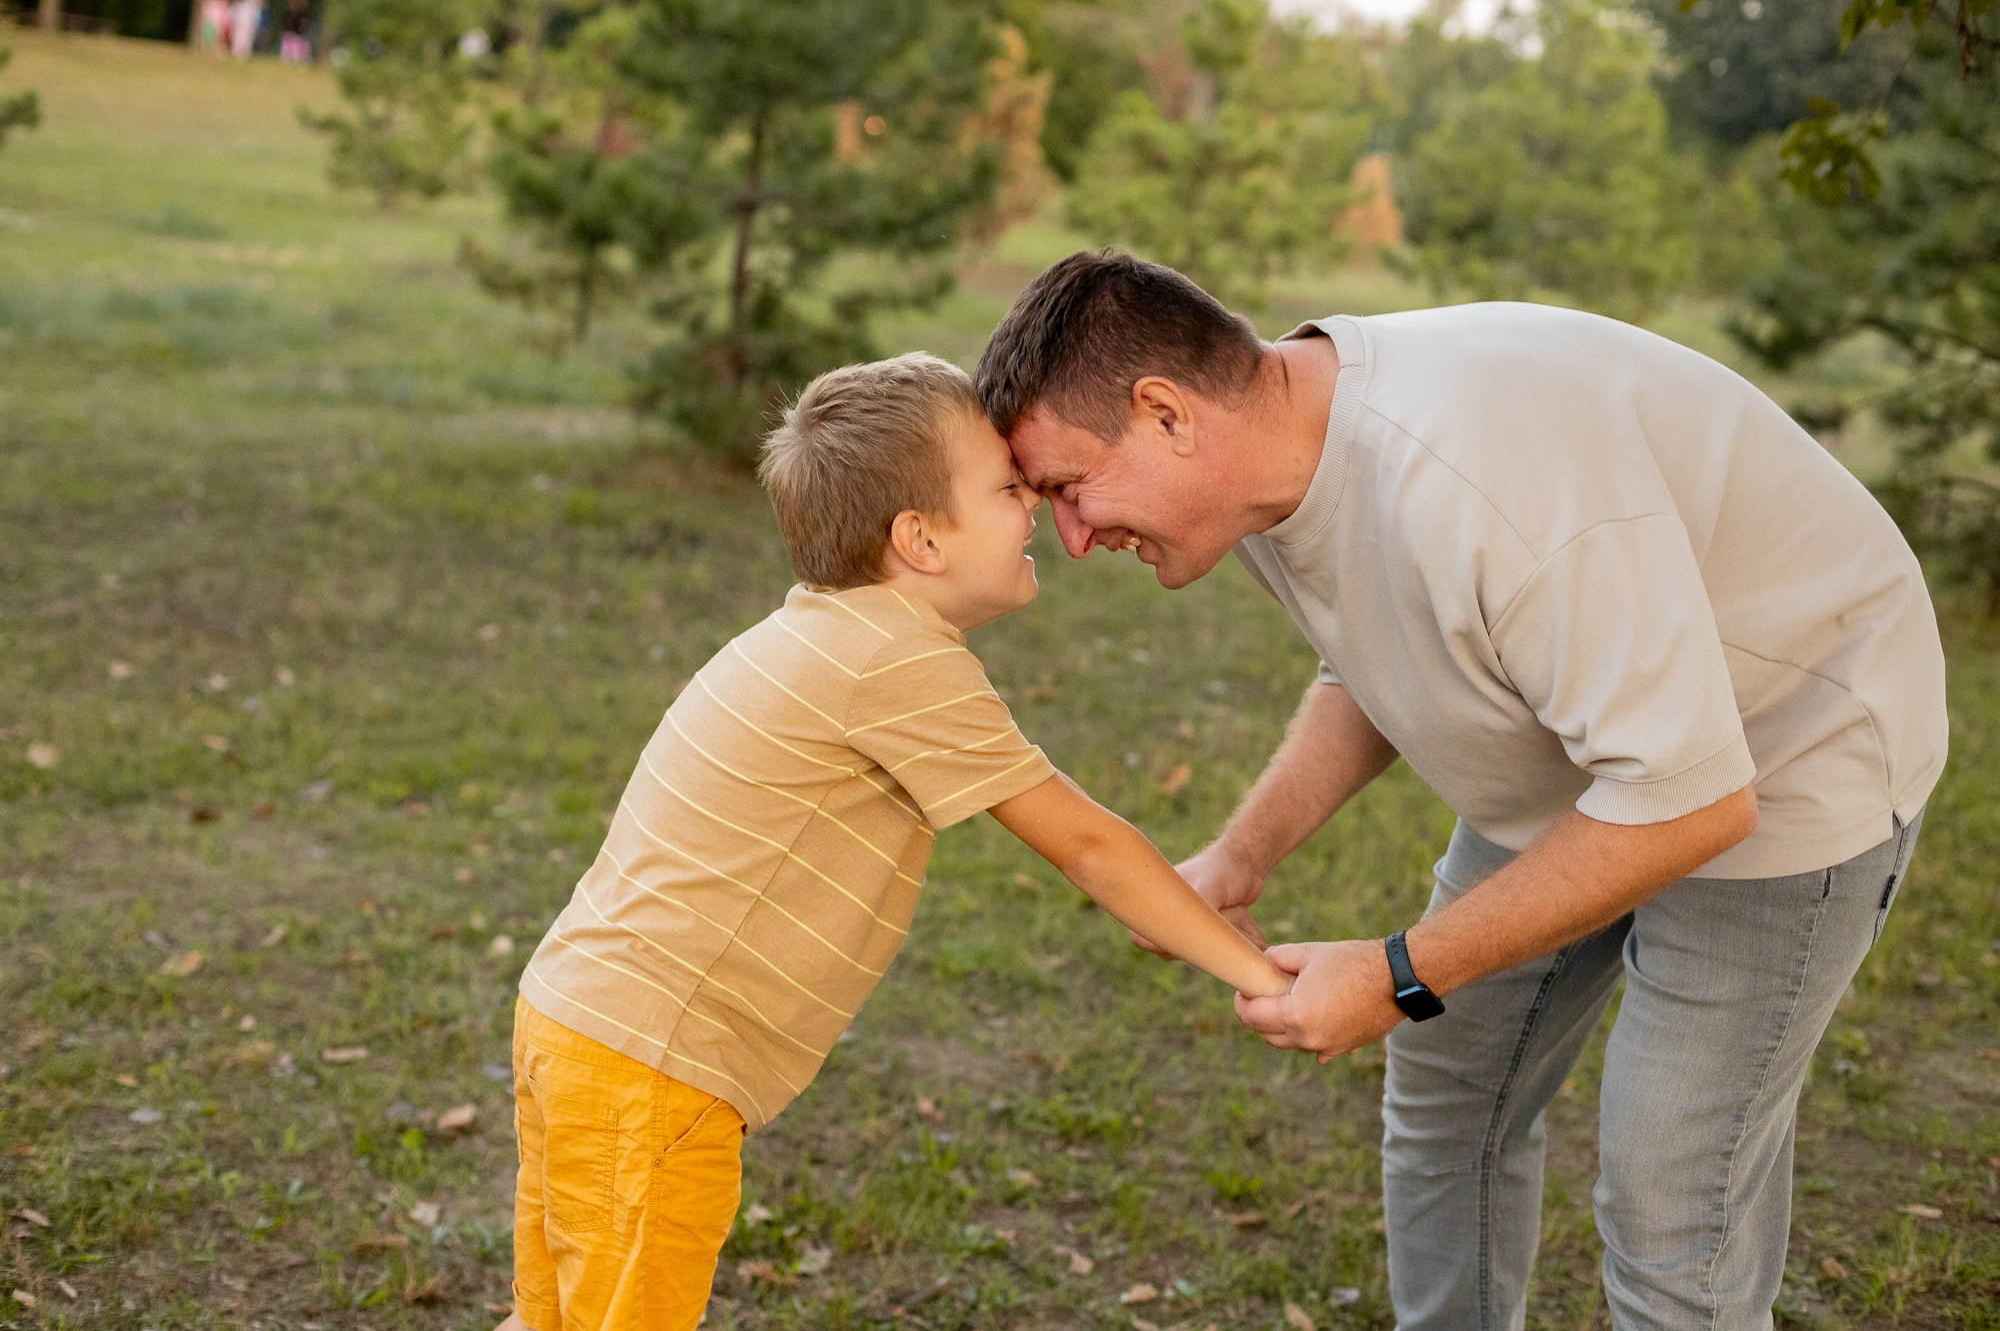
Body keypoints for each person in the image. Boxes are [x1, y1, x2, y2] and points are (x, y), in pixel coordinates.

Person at [975, 251, 1948, 1330]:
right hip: (1601, 746)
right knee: (1450, 1089)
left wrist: (1394, 974)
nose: (1070, 537)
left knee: (1671, 1197)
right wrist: (1237, 858)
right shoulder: (1269, 469)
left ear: (1164, 413)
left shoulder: (1480, 483)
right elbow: (1375, 654)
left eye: (1069, 487)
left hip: (1788, 756)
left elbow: (1690, 801)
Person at [494, 352, 1289, 1331]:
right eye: (1005, 487)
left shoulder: (832, 634)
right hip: (650, 1063)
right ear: (918, 538)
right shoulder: (892, 660)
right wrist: (1257, 975)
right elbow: (1085, 843)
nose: (1034, 503)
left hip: (585, 1027)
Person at [279, 0, 310, 65]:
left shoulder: (302, 15)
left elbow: (304, 25)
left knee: (296, 49)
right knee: (287, 48)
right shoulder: (289, 13)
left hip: (297, 35)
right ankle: (286, 60)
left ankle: (296, 60)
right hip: (288, 34)